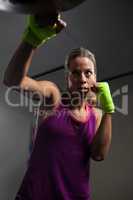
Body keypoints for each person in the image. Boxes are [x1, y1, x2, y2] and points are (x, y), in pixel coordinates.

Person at [3, 13, 115, 200]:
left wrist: (109, 110)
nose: (82, 79)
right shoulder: (53, 97)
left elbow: (99, 155)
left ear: (95, 77)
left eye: (88, 73)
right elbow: (12, 81)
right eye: (76, 73)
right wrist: (32, 39)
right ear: (67, 78)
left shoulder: (97, 114)